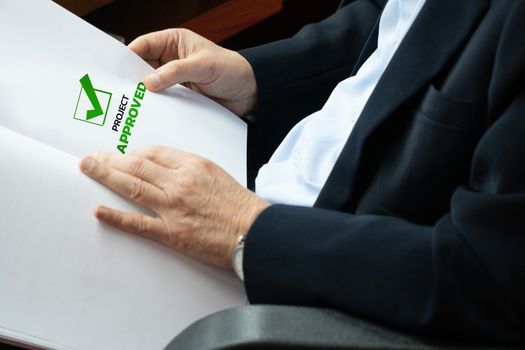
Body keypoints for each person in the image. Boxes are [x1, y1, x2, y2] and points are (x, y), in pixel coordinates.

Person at [79, 0, 525, 344]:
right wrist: (256, 78)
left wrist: (247, 231)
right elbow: (390, 26)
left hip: (304, 286)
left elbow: (491, 280)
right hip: (251, 187)